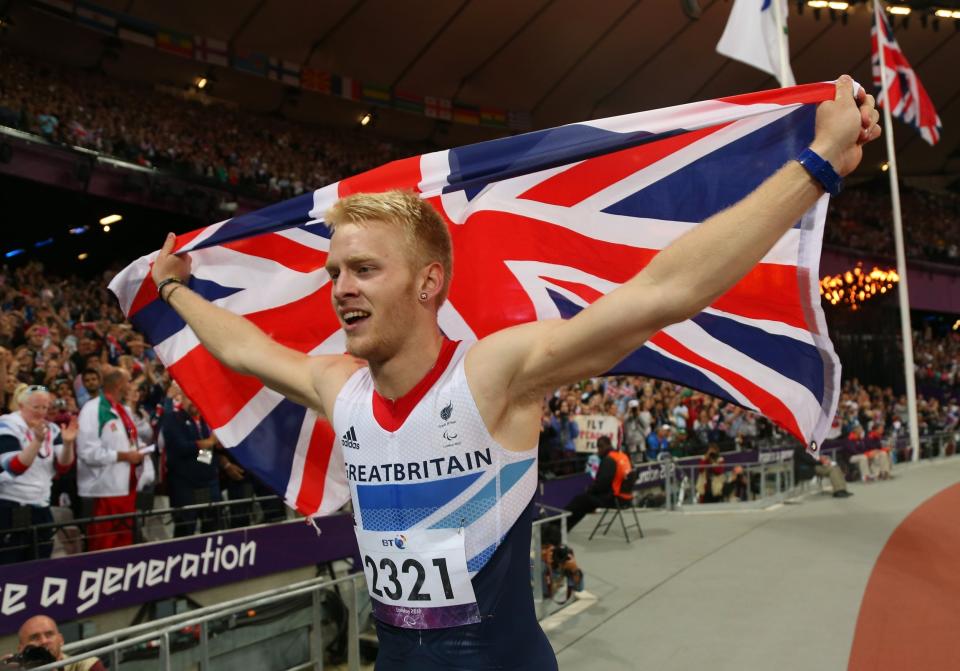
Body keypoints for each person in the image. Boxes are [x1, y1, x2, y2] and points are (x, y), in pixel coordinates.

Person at [149, 78, 879, 670]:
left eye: (365, 269)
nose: (340, 287)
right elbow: (244, 350)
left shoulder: (493, 374)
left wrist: (814, 167)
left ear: (430, 283)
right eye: (335, 269)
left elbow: (664, 292)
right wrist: (176, 289)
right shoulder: (340, 387)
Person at [76, 369, 151, 551]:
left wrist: (138, 448)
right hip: (103, 490)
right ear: (119, 385)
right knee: (103, 544)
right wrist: (125, 456)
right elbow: (87, 452)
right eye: (129, 382)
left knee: (124, 543)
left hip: (126, 487)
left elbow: (129, 439)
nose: (131, 386)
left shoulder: (122, 410)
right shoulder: (93, 409)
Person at [0, 387, 77, 563]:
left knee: (41, 561)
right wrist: (37, 441)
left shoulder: (52, 428)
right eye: (36, 407)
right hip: (10, 505)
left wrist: (67, 444)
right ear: (21, 405)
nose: (42, 412)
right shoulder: (5, 426)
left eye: (45, 407)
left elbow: (63, 467)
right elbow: (15, 467)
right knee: (11, 564)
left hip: (41, 504)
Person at [161, 395, 221, 537]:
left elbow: (207, 451)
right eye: (189, 397)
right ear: (182, 399)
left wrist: (209, 445)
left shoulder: (205, 420)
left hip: (206, 482)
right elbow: (180, 447)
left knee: (210, 527)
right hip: (184, 486)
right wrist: (208, 442)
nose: (194, 401)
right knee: (185, 529)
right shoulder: (173, 418)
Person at [564, 436, 633, 530]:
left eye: (600, 447)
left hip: (614, 499)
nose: (598, 451)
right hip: (626, 498)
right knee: (583, 502)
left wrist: (589, 490)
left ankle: (560, 526)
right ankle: (562, 528)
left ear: (605, 446)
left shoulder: (608, 460)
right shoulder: (623, 456)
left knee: (580, 500)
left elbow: (601, 486)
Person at [9, 615, 105, 671]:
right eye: (34, 638)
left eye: (49, 634)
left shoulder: (85, 665)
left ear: (61, 640)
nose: (44, 641)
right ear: (21, 649)